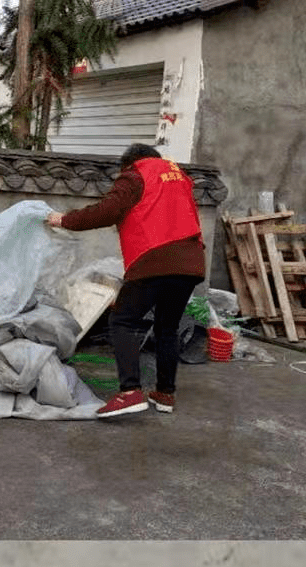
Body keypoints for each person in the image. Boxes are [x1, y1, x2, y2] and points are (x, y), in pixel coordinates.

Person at [46, 143, 205, 418]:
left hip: (154, 259)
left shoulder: (135, 174)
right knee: (167, 328)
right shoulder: (179, 178)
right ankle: (165, 394)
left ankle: (130, 392)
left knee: (122, 321)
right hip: (190, 263)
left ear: (130, 163)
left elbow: (109, 210)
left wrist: (65, 220)